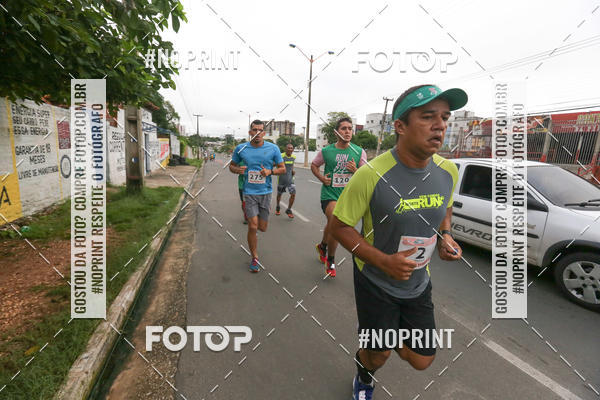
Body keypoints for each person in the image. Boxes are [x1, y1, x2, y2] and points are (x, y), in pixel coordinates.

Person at [329, 85, 466, 399]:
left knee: (421, 359)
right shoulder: (370, 174)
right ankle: (364, 375)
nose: (440, 125)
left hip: (418, 281)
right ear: (400, 126)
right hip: (375, 280)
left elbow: (444, 209)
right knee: (378, 355)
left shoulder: (448, 171)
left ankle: (386, 337)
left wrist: (446, 235)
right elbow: (339, 227)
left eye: (445, 117)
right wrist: (384, 261)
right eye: (428, 117)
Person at [311, 117, 367, 277]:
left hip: (348, 197)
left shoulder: (359, 152)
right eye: (344, 128)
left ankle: (323, 246)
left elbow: (366, 176)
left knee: (332, 223)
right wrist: (322, 178)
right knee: (336, 220)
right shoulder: (326, 151)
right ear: (336, 132)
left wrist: (356, 171)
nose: (348, 131)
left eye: (350, 128)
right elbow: (314, 165)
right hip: (329, 195)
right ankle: (331, 260)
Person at [230, 120, 285, 272]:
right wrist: (237, 170)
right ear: (250, 132)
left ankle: (254, 232)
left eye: (260, 130)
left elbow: (282, 169)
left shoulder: (273, 148)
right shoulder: (241, 148)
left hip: (265, 193)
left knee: (262, 227)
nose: (258, 133)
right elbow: (232, 166)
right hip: (249, 192)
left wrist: (270, 172)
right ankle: (254, 257)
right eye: (255, 130)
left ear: (264, 133)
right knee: (253, 226)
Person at [275, 143, 297, 218]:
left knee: (293, 194)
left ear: (293, 149)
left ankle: (289, 209)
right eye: (289, 148)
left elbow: (291, 166)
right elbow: (275, 164)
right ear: (285, 149)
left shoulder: (293, 157)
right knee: (279, 195)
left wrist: (292, 171)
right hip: (281, 179)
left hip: (290, 180)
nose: (290, 149)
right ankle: (278, 206)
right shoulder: (281, 156)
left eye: (291, 148)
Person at [238, 159, 248, 224]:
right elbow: (233, 167)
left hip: (253, 185)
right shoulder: (240, 160)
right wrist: (238, 169)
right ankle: (246, 216)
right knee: (244, 202)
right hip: (242, 185)